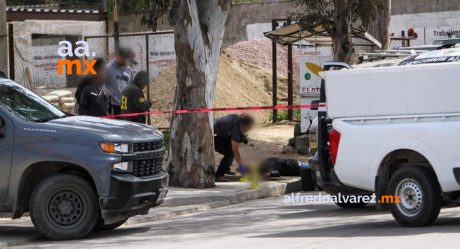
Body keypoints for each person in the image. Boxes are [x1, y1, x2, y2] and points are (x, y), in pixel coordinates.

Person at [214, 113, 254, 181]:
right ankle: (219, 175)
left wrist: (241, 137)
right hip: (212, 136)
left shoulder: (237, 119)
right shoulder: (235, 129)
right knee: (230, 152)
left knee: (231, 150)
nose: (248, 130)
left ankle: (225, 169)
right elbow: (235, 151)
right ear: (244, 125)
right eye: (248, 128)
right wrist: (241, 166)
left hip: (219, 133)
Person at [104, 47, 134, 115]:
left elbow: (131, 86)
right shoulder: (108, 68)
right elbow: (101, 85)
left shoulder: (129, 70)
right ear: (117, 56)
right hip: (111, 104)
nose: (125, 60)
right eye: (123, 57)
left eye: (126, 58)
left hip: (125, 104)